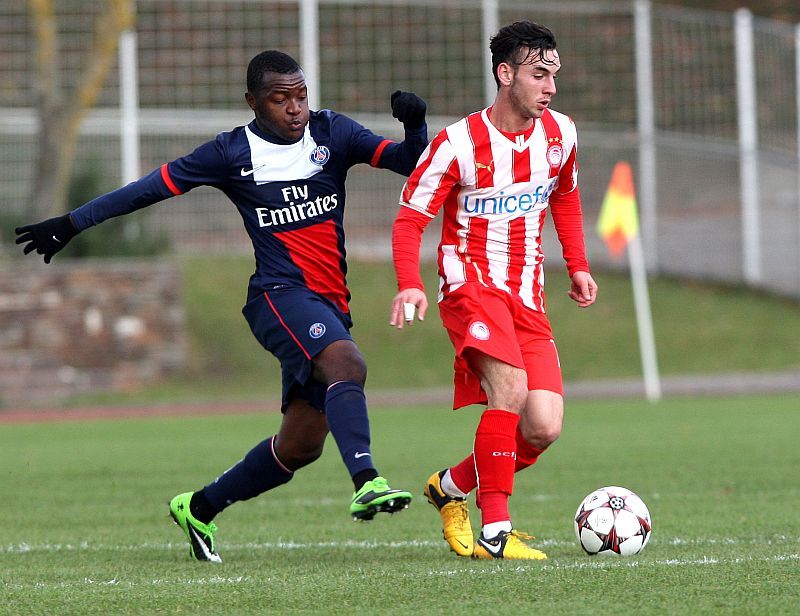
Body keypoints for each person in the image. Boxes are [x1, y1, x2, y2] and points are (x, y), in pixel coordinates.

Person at [16, 50, 429, 563]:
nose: (295, 108)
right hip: (278, 297)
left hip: (328, 306)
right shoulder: (230, 152)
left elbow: (410, 162)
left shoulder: (332, 134)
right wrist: (71, 223)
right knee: (348, 363)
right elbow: (146, 191)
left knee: (301, 446)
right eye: (281, 99)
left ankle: (199, 507)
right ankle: (367, 479)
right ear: (253, 103)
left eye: (301, 96)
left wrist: (416, 126)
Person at [389, 21, 597, 560]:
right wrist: (410, 284)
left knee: (544, 424)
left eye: (554, 74)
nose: (549, 86)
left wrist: (578, 265)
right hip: (470, 287)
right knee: (509, 392)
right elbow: (410, 219)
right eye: (538, 74)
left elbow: (565, 199)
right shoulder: (458, 144)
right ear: (505, 75)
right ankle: (495, 532)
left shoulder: (561, 135)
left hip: (528, 294)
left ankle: (451, 487)